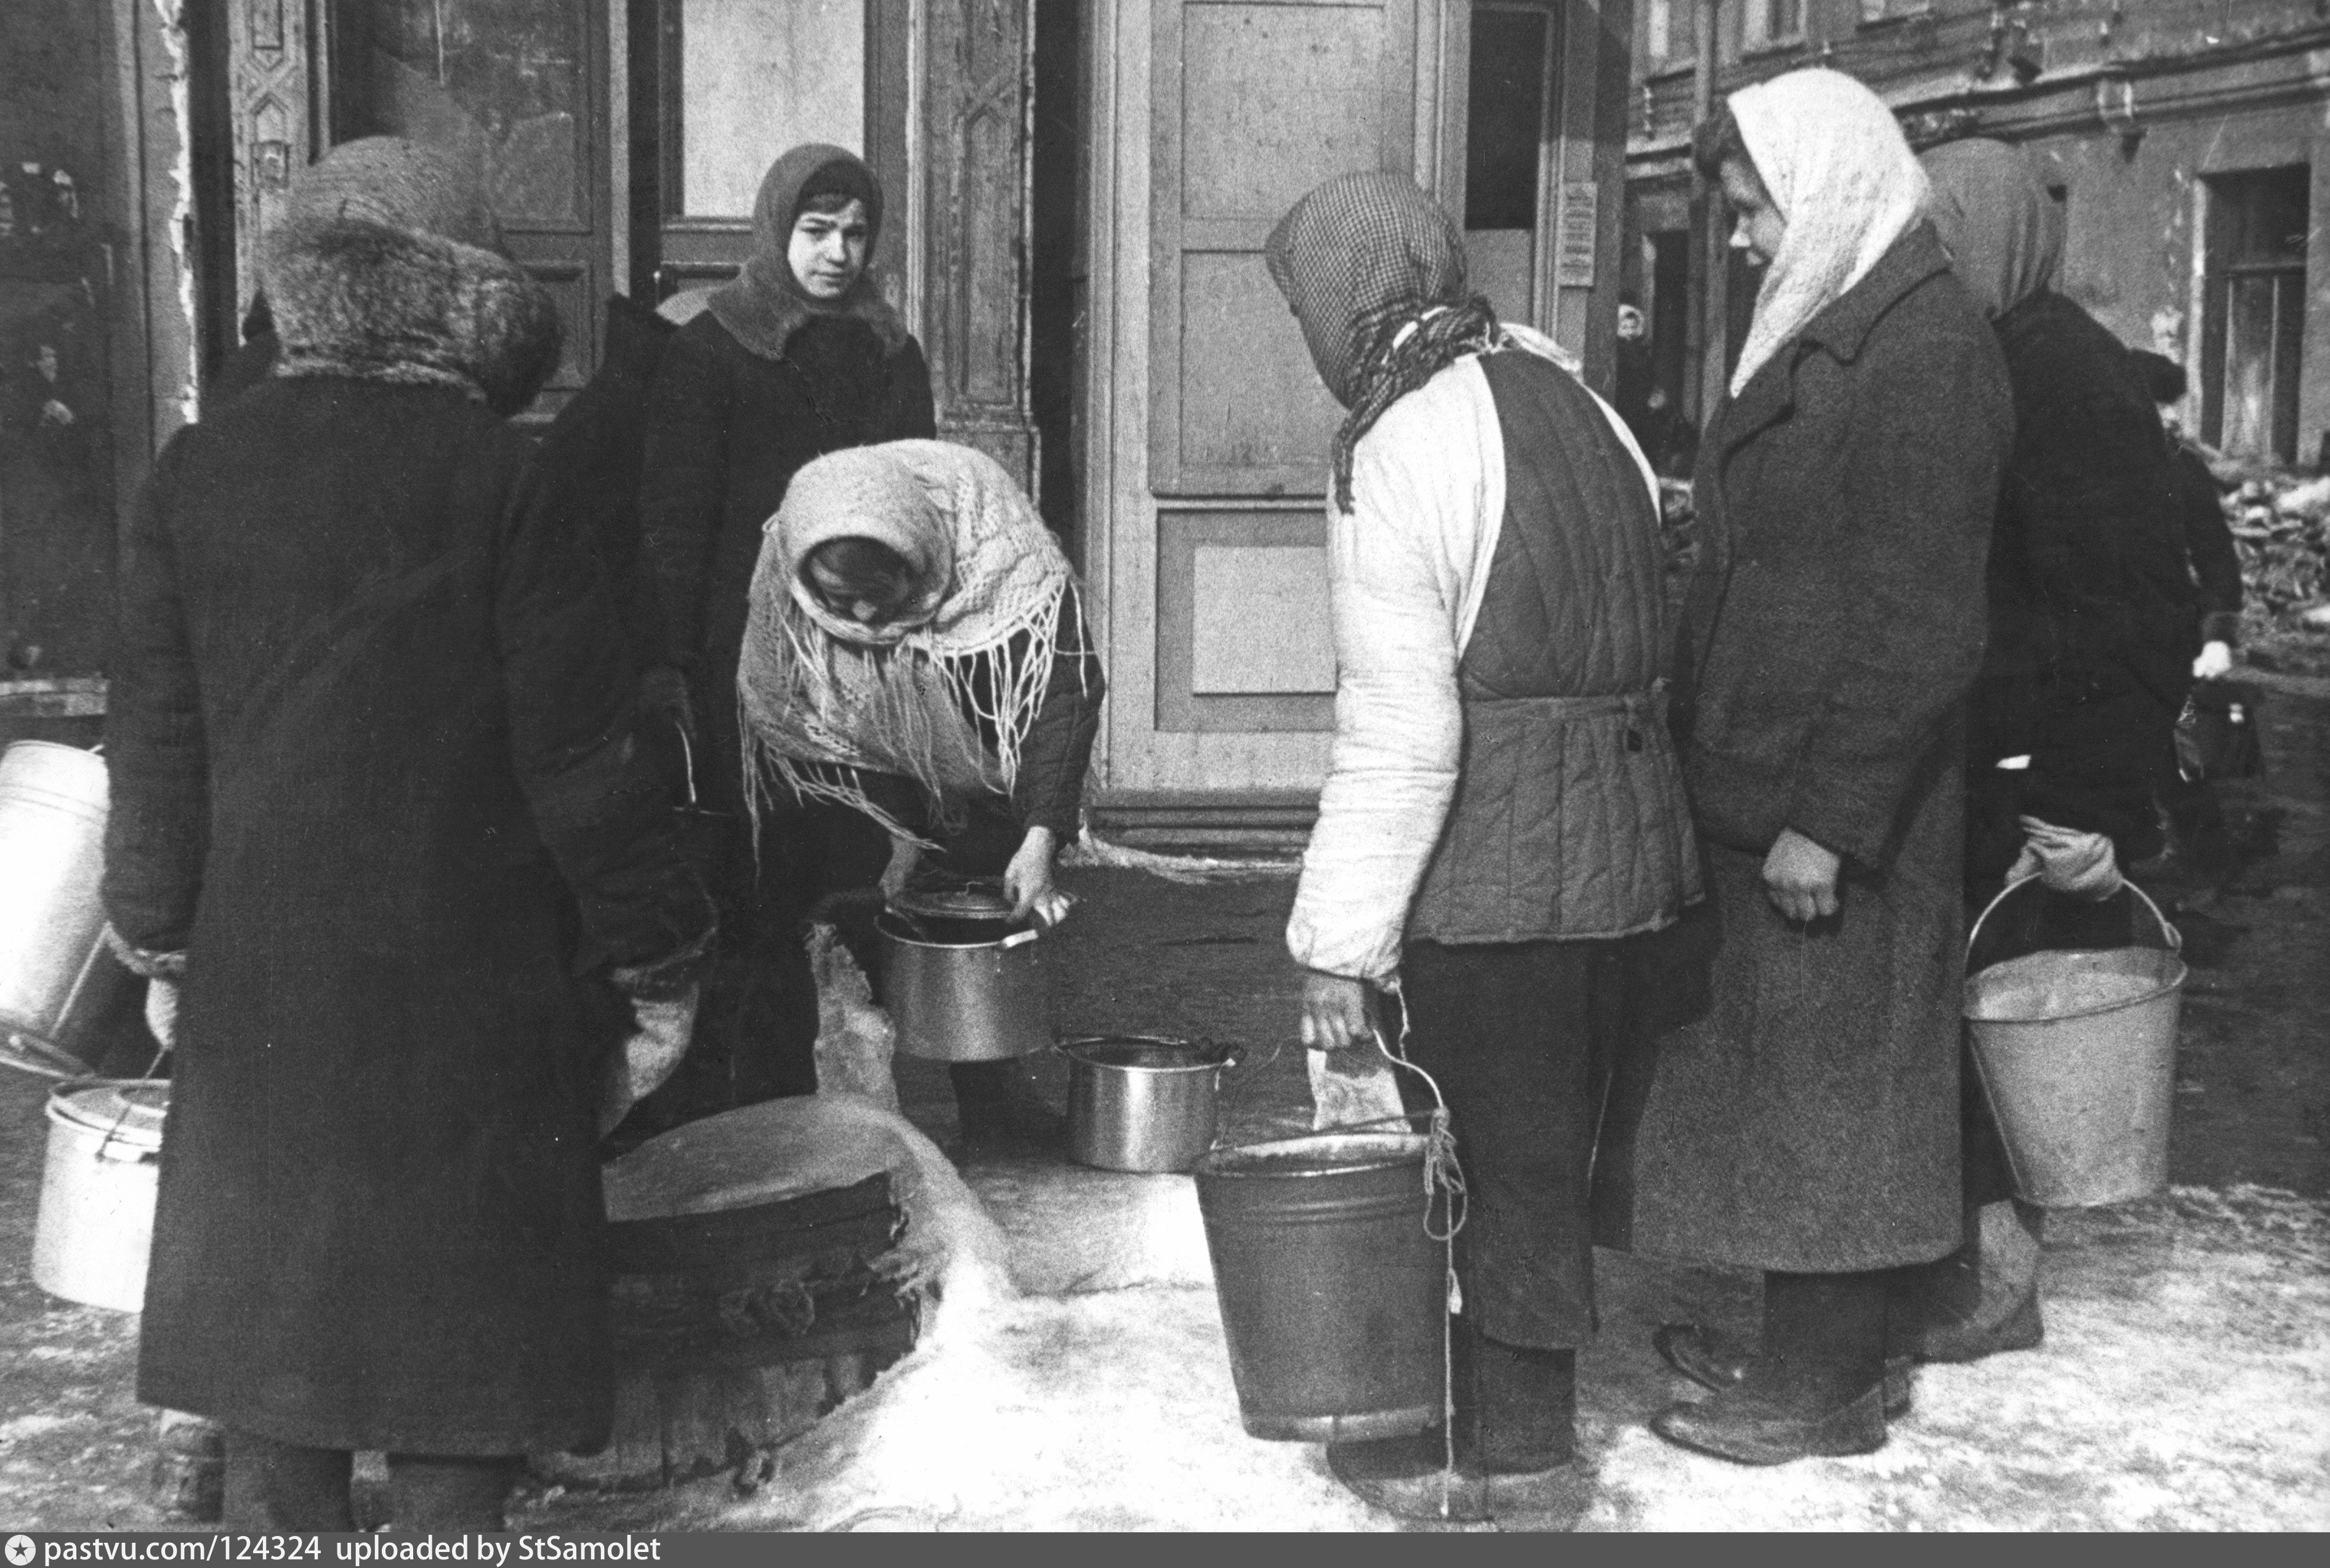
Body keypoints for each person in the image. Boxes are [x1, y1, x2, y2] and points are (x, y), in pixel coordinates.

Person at [100, 137, 716, 1531]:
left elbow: (155, 749)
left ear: (300, 291)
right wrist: (660, 958)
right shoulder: (511, 476)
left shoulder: (197, 470)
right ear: (471, 293)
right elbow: (586, 763)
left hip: (265, 991)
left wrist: (161, 934)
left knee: (276, 1379)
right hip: (475, 997)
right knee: (462, 1382)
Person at [1268, 172, 1699, 1521]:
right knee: (1543, 1148)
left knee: (1474, 1150)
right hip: (1628, 858)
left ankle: (1512, 1454)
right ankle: (1512, 1424)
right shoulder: (1577, 401)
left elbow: (1403, 733)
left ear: (1346, 306)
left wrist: (1334, 944)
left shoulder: (1401, 441)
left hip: (1495, 865)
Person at [1606, 69, 2015, 1465]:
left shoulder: (1920, 351)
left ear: (1825, 186)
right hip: (1765, 771)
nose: (1732, 236)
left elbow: (1920, 623)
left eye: (1747, 209)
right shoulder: (1838, 321)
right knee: (1789, 1088)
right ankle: (1810, 1345)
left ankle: (1825, 1380)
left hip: (1838, 804)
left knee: (1835, 1091)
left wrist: (1829, 820)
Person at [1890, 139, 2204, 1364]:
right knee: (1964, 1022)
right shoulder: (1995, 351)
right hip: (1997, 752)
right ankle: (1963, 1270)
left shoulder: (2061, 373)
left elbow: (2132, 603)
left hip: (2041, 770)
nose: (1928, 258)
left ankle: (1990, 1283)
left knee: (1998, 1020)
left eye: (1944, 235)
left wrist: (2085, 802)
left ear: (1999, 235)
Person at [632, 144, 938, 1125]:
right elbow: (675, 523)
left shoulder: (892, 353)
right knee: (746, 868)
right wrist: (670, 663)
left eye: (855, 233)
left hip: (858, 638)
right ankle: (739, 1102)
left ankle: (845, 1100)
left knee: (845, 864)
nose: (838, 252)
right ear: (775, 230)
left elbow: (919, 494)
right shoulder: (712, 351)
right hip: (742, 650)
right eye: (816, 231)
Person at [732, 438, 1102, 1116]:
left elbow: (1062, 693)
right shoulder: (786, 559)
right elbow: (797, 714)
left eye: (880, 595)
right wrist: (891, 831)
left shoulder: (993, 540)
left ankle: (991, 1092)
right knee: (839, 904)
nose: (866, 618)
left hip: (973, 735)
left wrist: (1041, 838)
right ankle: (829, 1109)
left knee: (982, 887)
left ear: (919, 558)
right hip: (851, 757)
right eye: (840, 598)